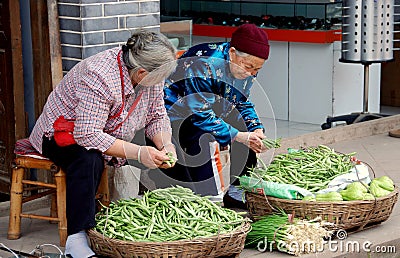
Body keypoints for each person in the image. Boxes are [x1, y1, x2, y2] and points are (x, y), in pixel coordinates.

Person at [28, 29, 178, 258]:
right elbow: (87, 134)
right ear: (140, 72)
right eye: (159, 77)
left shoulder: (151, 77)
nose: (162, 83)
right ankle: (76, 238)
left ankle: (123, 218)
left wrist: (166, 145)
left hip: (111, 129)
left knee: (154, 148)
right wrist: (138, 152)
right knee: (88, 159)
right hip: (61, 132)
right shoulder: (99, 75)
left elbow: (157, 116)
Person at [161, 23, 271, 207]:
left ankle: (237, 191)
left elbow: (241, 101)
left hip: (213, 109)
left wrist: (255, 128)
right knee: (207, 136)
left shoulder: (245, 71)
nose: (252, 74)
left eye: (256, 70)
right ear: (233, 53)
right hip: (178, 116)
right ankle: (211, 198)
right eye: (249, 67)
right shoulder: (204, 63)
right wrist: (238, 136)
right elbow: (199, 114)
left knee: (248, 129)